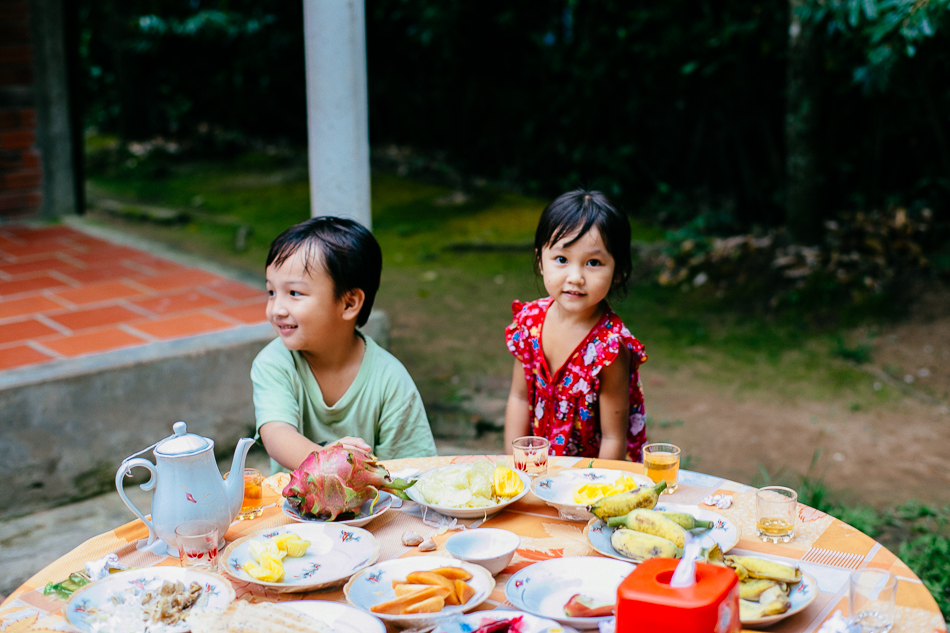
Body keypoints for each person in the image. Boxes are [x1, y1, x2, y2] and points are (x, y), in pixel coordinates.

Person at [252, 216, 437, 473]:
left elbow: (411, 467)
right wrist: (333, 460)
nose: (276, 309)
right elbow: (276, 435)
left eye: (294, 293)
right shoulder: (274, 363)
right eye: (271, 292)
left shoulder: (390, 379)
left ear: (349, 303)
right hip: (294, 509)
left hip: (372, 509)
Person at [504, 190, 648, 461]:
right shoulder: (529, 322)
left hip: (584, 484)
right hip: (534, 471)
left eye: (593, 262)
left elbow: (613, 437)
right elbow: (519, 399)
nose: (575, 277)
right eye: (562, 259)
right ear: (540, 260)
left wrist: (591, 496)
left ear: (617, 272)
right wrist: (514, 467)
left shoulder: (609, 348)